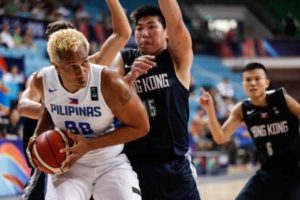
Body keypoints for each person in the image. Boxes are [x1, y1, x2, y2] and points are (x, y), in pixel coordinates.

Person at [18, 1, 132, 199]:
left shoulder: (91, 66)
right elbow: (22, 105)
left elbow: (121, 34)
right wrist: (54, 111)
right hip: (57, 150)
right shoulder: (41, 78)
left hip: (96, 156)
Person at [111, 1, 200, 199]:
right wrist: (130, 76)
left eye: (152, 27)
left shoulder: (176, 58)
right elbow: (113, 100)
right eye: (139, 28)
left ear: (166, 32)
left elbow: (176, 22)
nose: (144, 33)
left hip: (174, 163)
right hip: (133, 164)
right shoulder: (124, 58)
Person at [200, 62, 300, 199]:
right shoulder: (242, 109)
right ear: (243, 84)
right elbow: (220, 137)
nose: (253, 83)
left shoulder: (282, 100)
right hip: (266, 173)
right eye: (248, 80)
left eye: (257, 79)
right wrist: (210, 110)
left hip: (294, 172)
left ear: (266, 83)